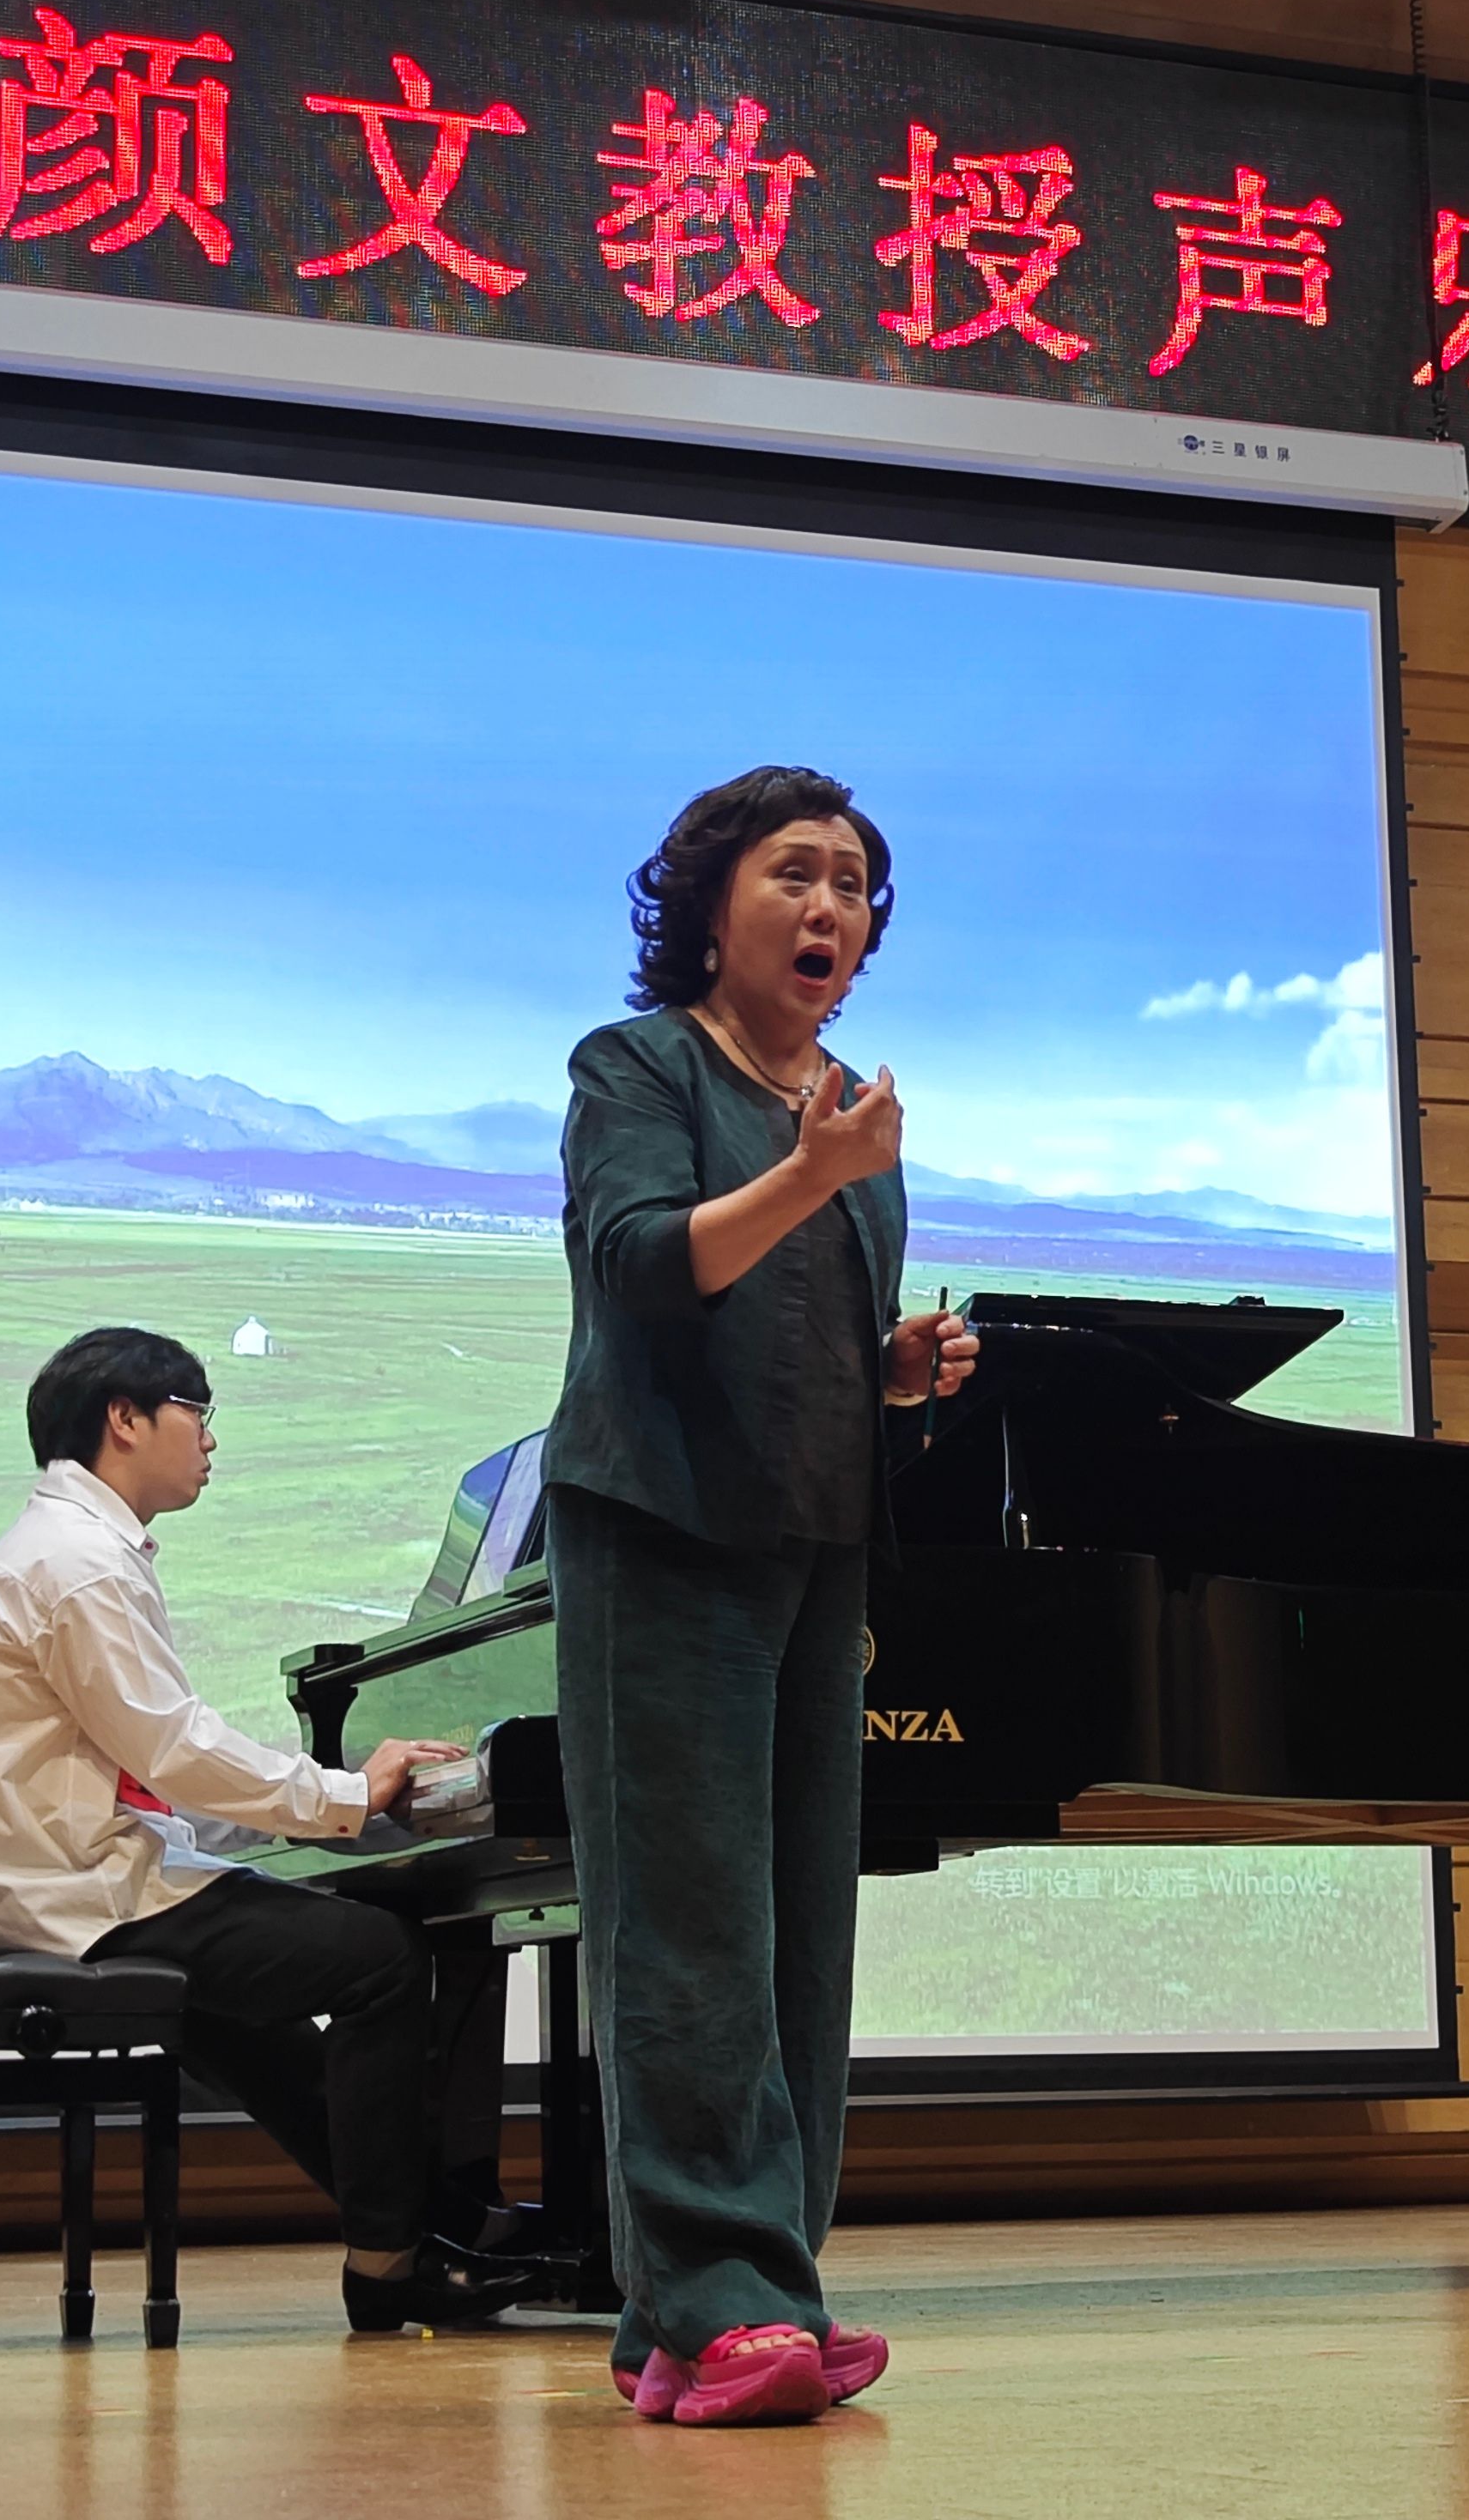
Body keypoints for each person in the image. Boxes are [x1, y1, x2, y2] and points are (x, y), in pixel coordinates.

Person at [544, 766, 976, 2427]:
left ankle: (737, 2301)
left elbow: (794, 1333)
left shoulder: (853, 1119)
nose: (828, 906)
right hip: (661, 1532)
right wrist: (810, 1173)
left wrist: (895, 1370)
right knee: (687, 1928)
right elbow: (647, 1267)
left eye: (853, 885)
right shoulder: (637, 1066)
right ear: (708, 902)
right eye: (793, 872)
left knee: (799, 1931)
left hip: (814, 1546)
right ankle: (720, 2300)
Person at [0, 1325, 543, 2333]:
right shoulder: (81, 1565)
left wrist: (285, 1822)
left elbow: (143, 1762)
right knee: (380, 1958)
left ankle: (432, 2222)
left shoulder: (57, 1548)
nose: (209, 1439)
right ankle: (392, 2263)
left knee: (264, 2011)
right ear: (125, 1419)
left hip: (30, 1878)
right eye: (197, 1413)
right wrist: (342, 1793)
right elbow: (173, 1748)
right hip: (61, 1893)